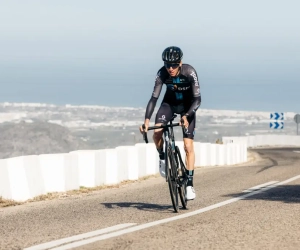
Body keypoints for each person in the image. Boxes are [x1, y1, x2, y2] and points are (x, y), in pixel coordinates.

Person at [139, 46, 201, 200]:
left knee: (188, 145)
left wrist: (187, 116)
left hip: (188, 108)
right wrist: (146, 121)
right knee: (157, 132)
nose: (170, 68)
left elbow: (198, 99)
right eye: (167, 65)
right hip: (169, 105)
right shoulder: (161, 73)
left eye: (173, 65)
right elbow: (154, 98)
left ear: (180, 63)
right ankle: (162, 157)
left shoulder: (189, 72)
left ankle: (189, 184)